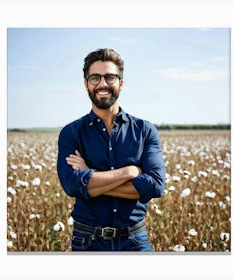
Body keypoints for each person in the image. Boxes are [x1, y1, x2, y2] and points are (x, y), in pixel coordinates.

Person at [57, 48, 165, 251]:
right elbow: (72, 186)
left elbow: (155, 186)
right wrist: (129, 172)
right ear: (86, 84)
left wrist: (90, 176)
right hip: (87, 241)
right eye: (95, 78)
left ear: (121, 83)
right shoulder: (71, 133)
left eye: (110, 77)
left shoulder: (145, 130)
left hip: (135, 241)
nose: (102, 84)